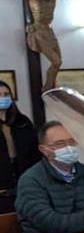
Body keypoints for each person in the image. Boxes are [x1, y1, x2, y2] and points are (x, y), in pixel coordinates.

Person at [15, 121, 84, 233]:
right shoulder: (30, 180)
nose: (68, 148)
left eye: (71, 142)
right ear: (44, 149)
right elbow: (52, 224)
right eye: (59, 144)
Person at [0, 80, 39, 215]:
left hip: (25, 182)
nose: (3, 98)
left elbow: (35, 153)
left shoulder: (22, 122)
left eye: (6, 94)